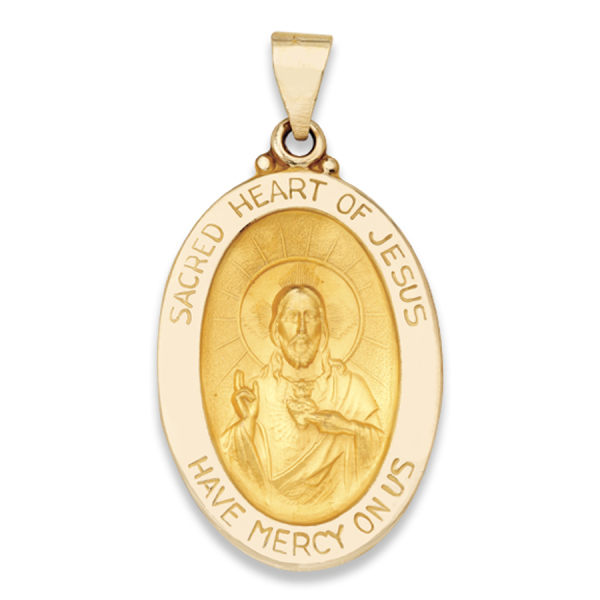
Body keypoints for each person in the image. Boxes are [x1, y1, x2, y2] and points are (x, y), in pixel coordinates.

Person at [221, 284, 383, 521]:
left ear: (323, 329)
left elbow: (382, 448)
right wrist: (248, 424)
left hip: (340, 511)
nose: (301, 328)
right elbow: (228, 460)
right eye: (291, 317)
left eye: (310, 317)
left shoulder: (350, 387)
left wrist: (347, 427)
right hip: (266, 512)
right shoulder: (257, 390)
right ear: (276, 331)